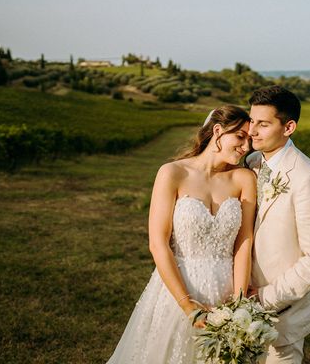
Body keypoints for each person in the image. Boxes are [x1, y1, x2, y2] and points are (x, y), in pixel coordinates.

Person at [106, 105, 257, 364]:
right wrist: (187, 305)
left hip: (226, 287)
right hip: (178, 286)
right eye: (240, 137)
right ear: (218, 131)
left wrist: (239, 303)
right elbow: (158, 244)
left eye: (250, 141)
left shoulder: (244, 178)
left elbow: (244, 242)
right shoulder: (172, 173)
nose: (245, 147)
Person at [246, 86, 310, 364]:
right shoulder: (250, 162)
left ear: (289, 127)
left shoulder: (308, 178)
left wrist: (265, 298)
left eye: (263, 124)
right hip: (240, 300)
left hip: (282, 309)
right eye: (252, 121)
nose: (252, 131)